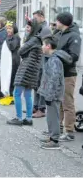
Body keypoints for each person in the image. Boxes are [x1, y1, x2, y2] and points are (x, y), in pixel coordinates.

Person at [7, 20, 43, 126]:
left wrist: (24, 48)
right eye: (26, 27)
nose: (26, 29)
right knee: (28, 94)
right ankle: (28, 118)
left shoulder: (33, 39)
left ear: (34, 29)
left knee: (17, 93)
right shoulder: (38, 39)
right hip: (33, 69)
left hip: (26, 68)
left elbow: (20, 51)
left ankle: (18, 118)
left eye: (28, 27)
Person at [38, 37, 72, 149]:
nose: (42, 47)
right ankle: (52, 136)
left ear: (48, 46)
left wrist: (50, 94)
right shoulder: (51, 58)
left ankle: (55, 140)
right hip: (50, 93)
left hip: (53, 94)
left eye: (43, 45)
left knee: (54, 117)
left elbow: (54, 79)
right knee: (50, 116)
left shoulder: (55, 60)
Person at [53, 12, 81, 142]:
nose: (55, 23)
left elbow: (73, 56)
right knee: (58, 102)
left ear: (62, 22)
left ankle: (69, 131)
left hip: (68, 74)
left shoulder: (74, 36)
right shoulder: (58, 34)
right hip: (57, 72)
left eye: (57, 21)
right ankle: (57, 129)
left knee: (67, 103)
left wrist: (57, 55)